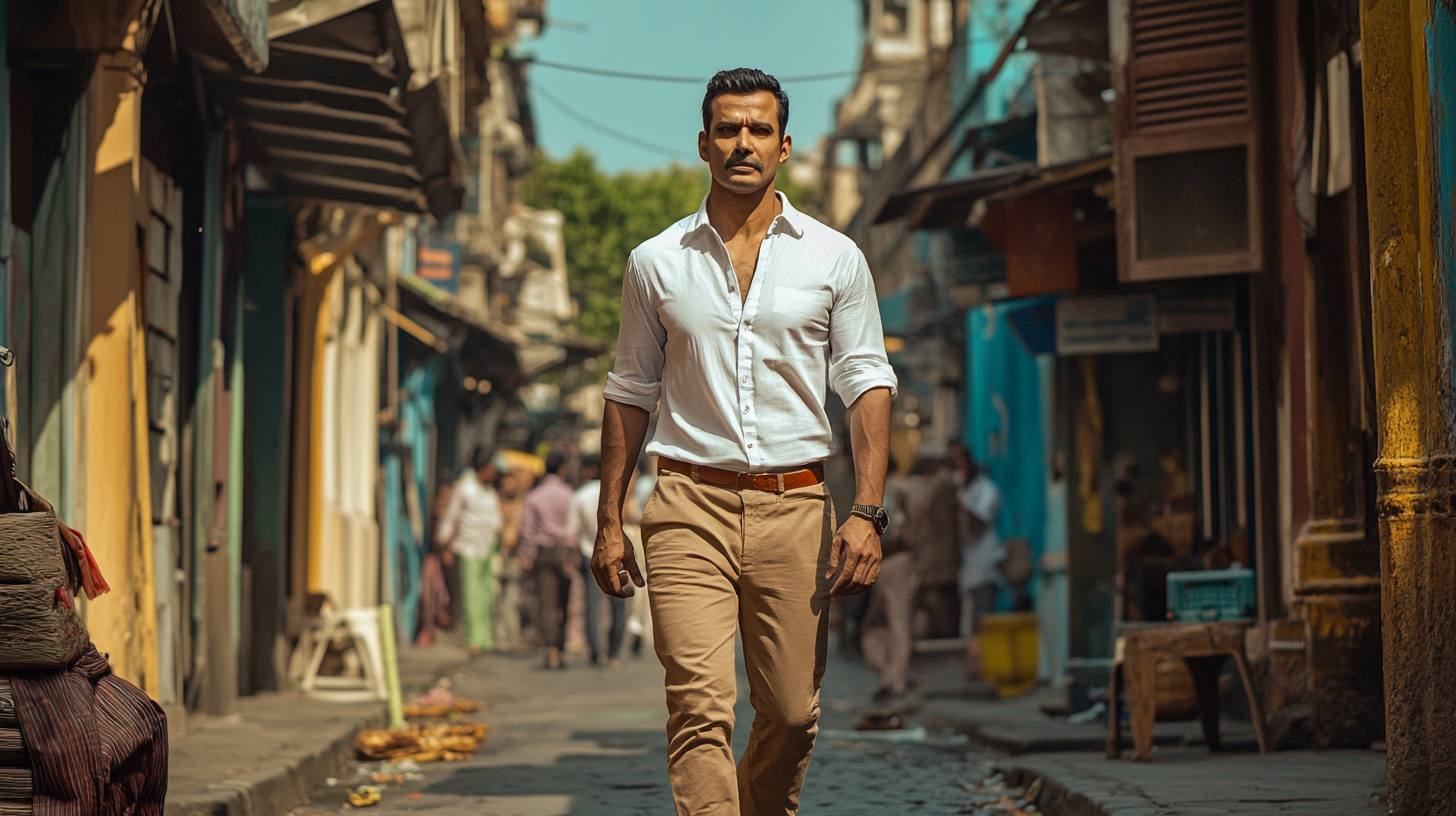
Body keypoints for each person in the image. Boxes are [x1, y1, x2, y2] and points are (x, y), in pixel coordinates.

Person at [591, 68, 897, 816]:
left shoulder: (835, 257)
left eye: (759, 129)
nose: (742, 143)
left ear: (785, 146)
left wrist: (867, 511)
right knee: (700, 709)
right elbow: (630, 392)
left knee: (791, 716)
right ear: (703, 143)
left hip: (796, 509)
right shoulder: (656, 262)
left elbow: (866, 382)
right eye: (727, 129)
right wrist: (608, 522)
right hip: (686, 505)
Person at [436, 447, 503, 653]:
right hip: (468, 547)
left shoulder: (489, 492)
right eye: (491, 465)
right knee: (471, 595)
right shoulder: (465, 489)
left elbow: (495, 519)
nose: (494, 470)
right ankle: (473, 639)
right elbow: (452, 516)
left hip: (487, 547)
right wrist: (444, 543)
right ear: (483, 467)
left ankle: (485, 638)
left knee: (486, 594)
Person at [518, 450, 576, 669]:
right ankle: (560, 649)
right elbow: (573, 528)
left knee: (546, 603)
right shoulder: (569, 494)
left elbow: (528, 531)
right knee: (563, 603)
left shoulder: (534, 496)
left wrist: (528, 556)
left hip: (543, 553)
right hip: (564, 552)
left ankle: (550, 649)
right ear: (561, 469)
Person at [570, 453, 627, 667]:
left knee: (592, 605)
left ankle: (597, 652)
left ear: (589, 470)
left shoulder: (580, 495)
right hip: (617, 553)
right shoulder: (618, 492)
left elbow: (572, 531)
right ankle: (614, 652)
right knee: (618, 604)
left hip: (589, 553)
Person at [952, 443, 1004, 644]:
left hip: (984, 565)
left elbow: (978, 525)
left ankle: (983, 665)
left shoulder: (987, 490)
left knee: (982, 621)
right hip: (965, 567)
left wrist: (960, 501)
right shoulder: (959, 490)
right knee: (968, 625)